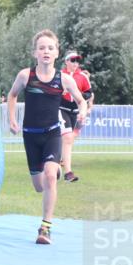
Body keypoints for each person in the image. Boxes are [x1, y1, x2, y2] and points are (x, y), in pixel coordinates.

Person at [7, 30, 88, 244]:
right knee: (39, 185)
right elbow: (12, 95)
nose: (46, 51)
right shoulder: (26, 76)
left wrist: (83, 111)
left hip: (53, 133)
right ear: (35, 52)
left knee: (50, 175)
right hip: (30, 136)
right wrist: (11, 119)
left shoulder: (64, 79)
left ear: (56, 53)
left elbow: (81, 100)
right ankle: (55, 169)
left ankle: (45, 228)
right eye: (42, 47)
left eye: (50, 48)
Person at [58, 50, 93, 182]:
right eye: (72, 60)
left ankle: (57, 162)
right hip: (61, 109)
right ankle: (68, 173)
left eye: (77, 60)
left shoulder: (82, 76)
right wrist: (61, 92)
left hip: (76, 112)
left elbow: (89, 93)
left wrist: (79, 95)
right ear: (66, 61)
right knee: (67, 138)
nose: (75, 63)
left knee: (69, 139)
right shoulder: (60, 75)